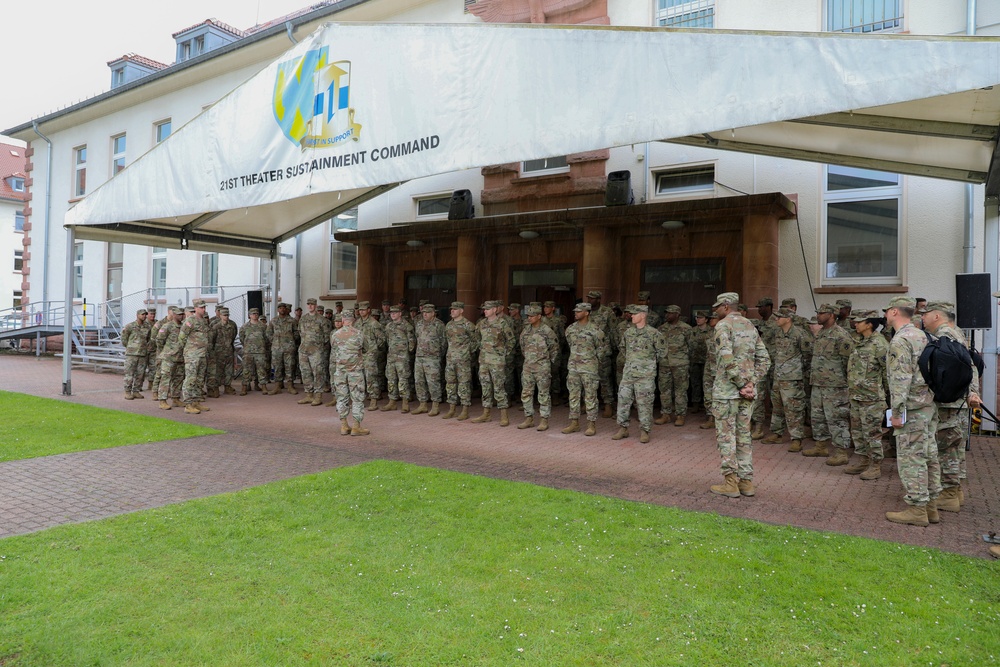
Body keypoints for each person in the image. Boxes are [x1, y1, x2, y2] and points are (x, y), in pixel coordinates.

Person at [884, 296, 941, 526]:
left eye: (888, 310)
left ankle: (917, 509)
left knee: (911, 458)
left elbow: (900, 380)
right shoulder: (923, 335)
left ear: (896, 311)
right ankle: (931, 507)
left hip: (912, 407)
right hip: (927, 404)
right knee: (929, 455)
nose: (886, 315)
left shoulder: (901, 340)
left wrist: (896, 412)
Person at [709, 292, 770, 498]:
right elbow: (765, 359)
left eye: (718, 307)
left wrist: (742, 383)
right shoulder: (750, 326)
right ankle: (747, 482)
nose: (715, 310)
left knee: (727, 438)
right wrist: (751, 383)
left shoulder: (723, 326)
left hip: (727, 393)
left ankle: (730, 483)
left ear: (726, 307)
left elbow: (726, 358)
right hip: (747, 394)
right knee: (744, 437)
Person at [922, 300, 981, 512]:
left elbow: (965, 368)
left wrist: (971, 393)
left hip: (949, 403)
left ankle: (948, 493)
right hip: (958, 401)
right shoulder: (955, 333)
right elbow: (971, 366)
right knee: (954, 449)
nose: (922, 317)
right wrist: (973, 393)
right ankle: (954, 493)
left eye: (926, 314)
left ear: (937, 316)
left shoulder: (945, 335)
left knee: (945, 449)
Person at [802, 304, 853, 466]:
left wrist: (844, 383)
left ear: (832, 315)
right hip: (818, 382)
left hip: (835, 385)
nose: (818, 316)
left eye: (822, 313)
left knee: (837, 418)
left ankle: (841, 452)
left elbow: (848, 361)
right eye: (818, 313)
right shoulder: (821, 333)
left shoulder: (841, 335)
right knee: (817, 416)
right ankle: (821, 446)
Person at [844, 309, 889, 479]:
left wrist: (888, 397)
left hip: (872, 398)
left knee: (872, 433)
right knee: (858, 431)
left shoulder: (879, 344)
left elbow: (887, 372)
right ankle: (863, 460)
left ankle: (875, 465)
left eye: (859, 321)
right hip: (856, 396)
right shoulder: (859, 341)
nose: (855, 323)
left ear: (869, 324)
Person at [614, 305, 665, 443]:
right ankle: (623, 428)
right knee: (623, 400)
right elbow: (623, 348)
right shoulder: (628, 332)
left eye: (634, 314)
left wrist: (647, 365)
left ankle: (645, 430)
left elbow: (662, 352)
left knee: (644, 403)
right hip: (629, 373)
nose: (631, 316)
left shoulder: (654, 333)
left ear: (642, 315)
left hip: (645, 375)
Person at [762, 307, 811, 451]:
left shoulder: (799, 334)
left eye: (779, 317)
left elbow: (807, 355)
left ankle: (796, 439)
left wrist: (798, 372)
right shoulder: (777, 333)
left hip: (792, 379)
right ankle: (777, 433)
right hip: (778, 376)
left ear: (788, 319)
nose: (776, 319)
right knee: (777, 407)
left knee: (793, 409)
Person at [563, 302, 607, 436]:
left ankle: (591, 424)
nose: (576, 313)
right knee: (573, 395)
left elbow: (601, 349)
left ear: (587, 313)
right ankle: (574, 422)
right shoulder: (570, 329)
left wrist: (594, 363)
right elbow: (570, 344)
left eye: (579, 311)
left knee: (590, 397)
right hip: (574, 368)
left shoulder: (595, 330)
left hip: (589, 368)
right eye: (575, 311)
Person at [473, 300, 516, 426]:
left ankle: (504, 415)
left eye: (487, 309)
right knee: (485, 387)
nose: (484, 311)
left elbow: (511, 341)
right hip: (484, 361)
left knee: (499, 387)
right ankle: (486, 414)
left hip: (496, 362)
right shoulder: (481, 324)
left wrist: (503, 354)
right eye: (484, 309)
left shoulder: (503, 323)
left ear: (494, 310)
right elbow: (477, 340)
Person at [517, 304, 559, 431]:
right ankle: (529, 418)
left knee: (543, 394)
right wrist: (530, 359)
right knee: (526, 393)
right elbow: (522, 346)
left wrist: (546, 362)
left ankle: (544, 420)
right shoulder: (526, 331)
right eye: (528, 316)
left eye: (532, 316)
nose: (529, 318)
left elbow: (554, 348)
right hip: (528, 366)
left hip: (542, 367)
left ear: (539, 316)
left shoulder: (547, 331)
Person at [331, 309, 370, 435]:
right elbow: (366, 348)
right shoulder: (359, 334)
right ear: (353, 320)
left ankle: (344, 426)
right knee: (357, 398)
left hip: (340, 371)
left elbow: (334, 348)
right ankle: (356, 426)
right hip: (355, 372)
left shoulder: (335, 335)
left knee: (341, 397)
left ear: (342, 320)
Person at [655, 305, 691, 427]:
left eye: (670, 313)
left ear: (677, 314)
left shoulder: (686, 329)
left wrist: (685, 360)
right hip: (665, 364)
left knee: (680, 391)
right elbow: (658, 346)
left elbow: (691, 346)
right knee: (664, 390)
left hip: (680, 364)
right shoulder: (661, 329)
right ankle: (666, 414)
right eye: (666, 313)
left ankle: (680, 415)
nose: (667, 315)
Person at [444, 301, 479, 421]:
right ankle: (452, 409)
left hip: (463, 361)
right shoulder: (449, 325)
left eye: (455, 309)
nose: (452, 311)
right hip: (450, 360)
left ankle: (465, 410)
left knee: (464, 384)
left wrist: (467, 352)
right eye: (451, 309)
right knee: (450, 384)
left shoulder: (468, 325)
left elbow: (476, 341)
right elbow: (447, 340)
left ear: (461, 311)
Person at [178, 299, 213, 414]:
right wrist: (188, 351)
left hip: (202, 354)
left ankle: (196, 401)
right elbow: (182, 337)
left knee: (199, 379)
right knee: (190, 379)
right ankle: (188, 404)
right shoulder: (190, 320)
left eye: (204, 307)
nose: (204, 309)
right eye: (201, 307)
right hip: (192, 355)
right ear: (196, 308)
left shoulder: (203, 321)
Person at [586, 290, 617, 418]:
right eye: (589, 298)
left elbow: (613, 330)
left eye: (592, 299)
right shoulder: (586, 311)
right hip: (588, 351)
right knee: (588, 379)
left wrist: (612, 348)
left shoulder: (607, 312)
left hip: (603, 351)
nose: (589, 301)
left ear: (599, 299)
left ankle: (608, 404)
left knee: (605, 379)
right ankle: (588, 403)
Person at [297, 297, 333, 406]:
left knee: (318, 373)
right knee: (305, 372)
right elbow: (300, 332)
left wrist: (318, 346)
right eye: (308, 304)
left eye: (312, 304)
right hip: (304, 349)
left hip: (316, 351)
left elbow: (327, 336)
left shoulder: (322, 320)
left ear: (316, 306)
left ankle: (318, 396)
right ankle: (309, 395)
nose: (310, 306)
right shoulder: (303, 319)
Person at [381, 305, 417, 413]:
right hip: (391, 357)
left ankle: (405, 402)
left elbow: (412, 342)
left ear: (400, 313)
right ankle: (392, 401)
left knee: (403, 379)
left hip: (402, 358)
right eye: (391, 313)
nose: (393, 314)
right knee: (391, 379)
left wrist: (407, 353)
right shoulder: (388, 326)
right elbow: (387, 340)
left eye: (395, 313)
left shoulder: (407, 326)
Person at [413, 303, 447, 416]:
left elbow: (443, 342)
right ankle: (422, 404)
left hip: (432, 358)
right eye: (423, 312)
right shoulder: (419, 324)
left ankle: (435, 405)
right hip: (420, 357)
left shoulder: (439, 325)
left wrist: (437, 355)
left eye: (427, 312)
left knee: (433, 382)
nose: (425, 314)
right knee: (419, 381)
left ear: (433, 313)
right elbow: (417, 338)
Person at [356, 300, 387, 410]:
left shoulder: (374, 323)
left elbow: (382, 339)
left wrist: (374, 350)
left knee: (371, 377)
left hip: (370, 354)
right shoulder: (357, 323)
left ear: (368, 310)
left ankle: (373, 399)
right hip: (359, 354)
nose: (361, 312)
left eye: (364, 310)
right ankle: (360, 399)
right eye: (360, 310)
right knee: (359, 378)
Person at [155, 306, 186, 410]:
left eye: (182, 314)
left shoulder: (184, 327)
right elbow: (159, 341)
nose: (181, 316)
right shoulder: (167, 326)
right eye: (179, 314)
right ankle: (162, 400)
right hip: (168, 357)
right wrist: (166, 351)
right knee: (165, 379)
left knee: (178, 379)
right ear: (173, 315)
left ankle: (176, 398)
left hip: (180, 357)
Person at [266, 303, 299, 395]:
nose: (282, 310)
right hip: (277, 348)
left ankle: (290, 386)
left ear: (286, 309)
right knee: (277, 367)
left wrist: (291, 340)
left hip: (289, 348)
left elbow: (296, 333)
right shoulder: (273, 321)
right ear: (278, 310)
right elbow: (268, 333)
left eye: (284, 308)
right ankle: (277, 386)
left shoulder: (292, 321)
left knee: (290, 366)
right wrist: (274, 340)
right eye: (280, 308)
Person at [121, 308, 150, 400]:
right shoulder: (130, 326)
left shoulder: (147, 326)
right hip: (132, 354)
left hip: (142, 354)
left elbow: (148, 339)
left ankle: (136, 391)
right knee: (129, 373)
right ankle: (127, 391)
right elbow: (124, 339)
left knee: (140, 374)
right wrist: (130, 347)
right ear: (137, 315)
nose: (144, 316)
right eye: (142, 314)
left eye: (145, 314)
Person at [239, 308, 270, 394]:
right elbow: (242, 338)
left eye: (256, 313)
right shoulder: (244, 327)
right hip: (248, 352)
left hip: (260, 351)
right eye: (253, 314)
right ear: (249, 315)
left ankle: (264, 386)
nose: (255, 315)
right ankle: (244, 387)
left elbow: (267, 338)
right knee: (246, 370)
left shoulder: (263, 326)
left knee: (261, 370)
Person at [208, 307, 238, 398]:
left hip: (229, 350)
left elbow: (234, 336)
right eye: (224, 315)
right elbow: (211, 339)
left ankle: (227, 386)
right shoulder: (215, 326)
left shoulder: (232, 325)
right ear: (220, 315)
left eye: (227, 315)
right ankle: (216, 387)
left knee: (229, 370)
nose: (226, 317)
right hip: (218, 352)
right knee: (218, 370)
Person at [699, 312, 721, 431]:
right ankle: (710, 418)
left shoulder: (725, 332)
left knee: (720, 395)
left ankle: (720, 419)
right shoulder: (708, 333)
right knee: (708, 393)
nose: (711, 320)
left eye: (714, 318)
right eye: (711, 318)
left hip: (720, 368)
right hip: (709, 366)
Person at [688, 311, 710, 414]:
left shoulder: (712, 331)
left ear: (706, 319)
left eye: (700, 318)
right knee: (695, 383)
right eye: (697, 317)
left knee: (707, 384)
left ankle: (707, 406)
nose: (698, 319)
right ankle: (696, 404)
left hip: (707, 362)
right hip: (695, 360)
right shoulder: (692, 331)